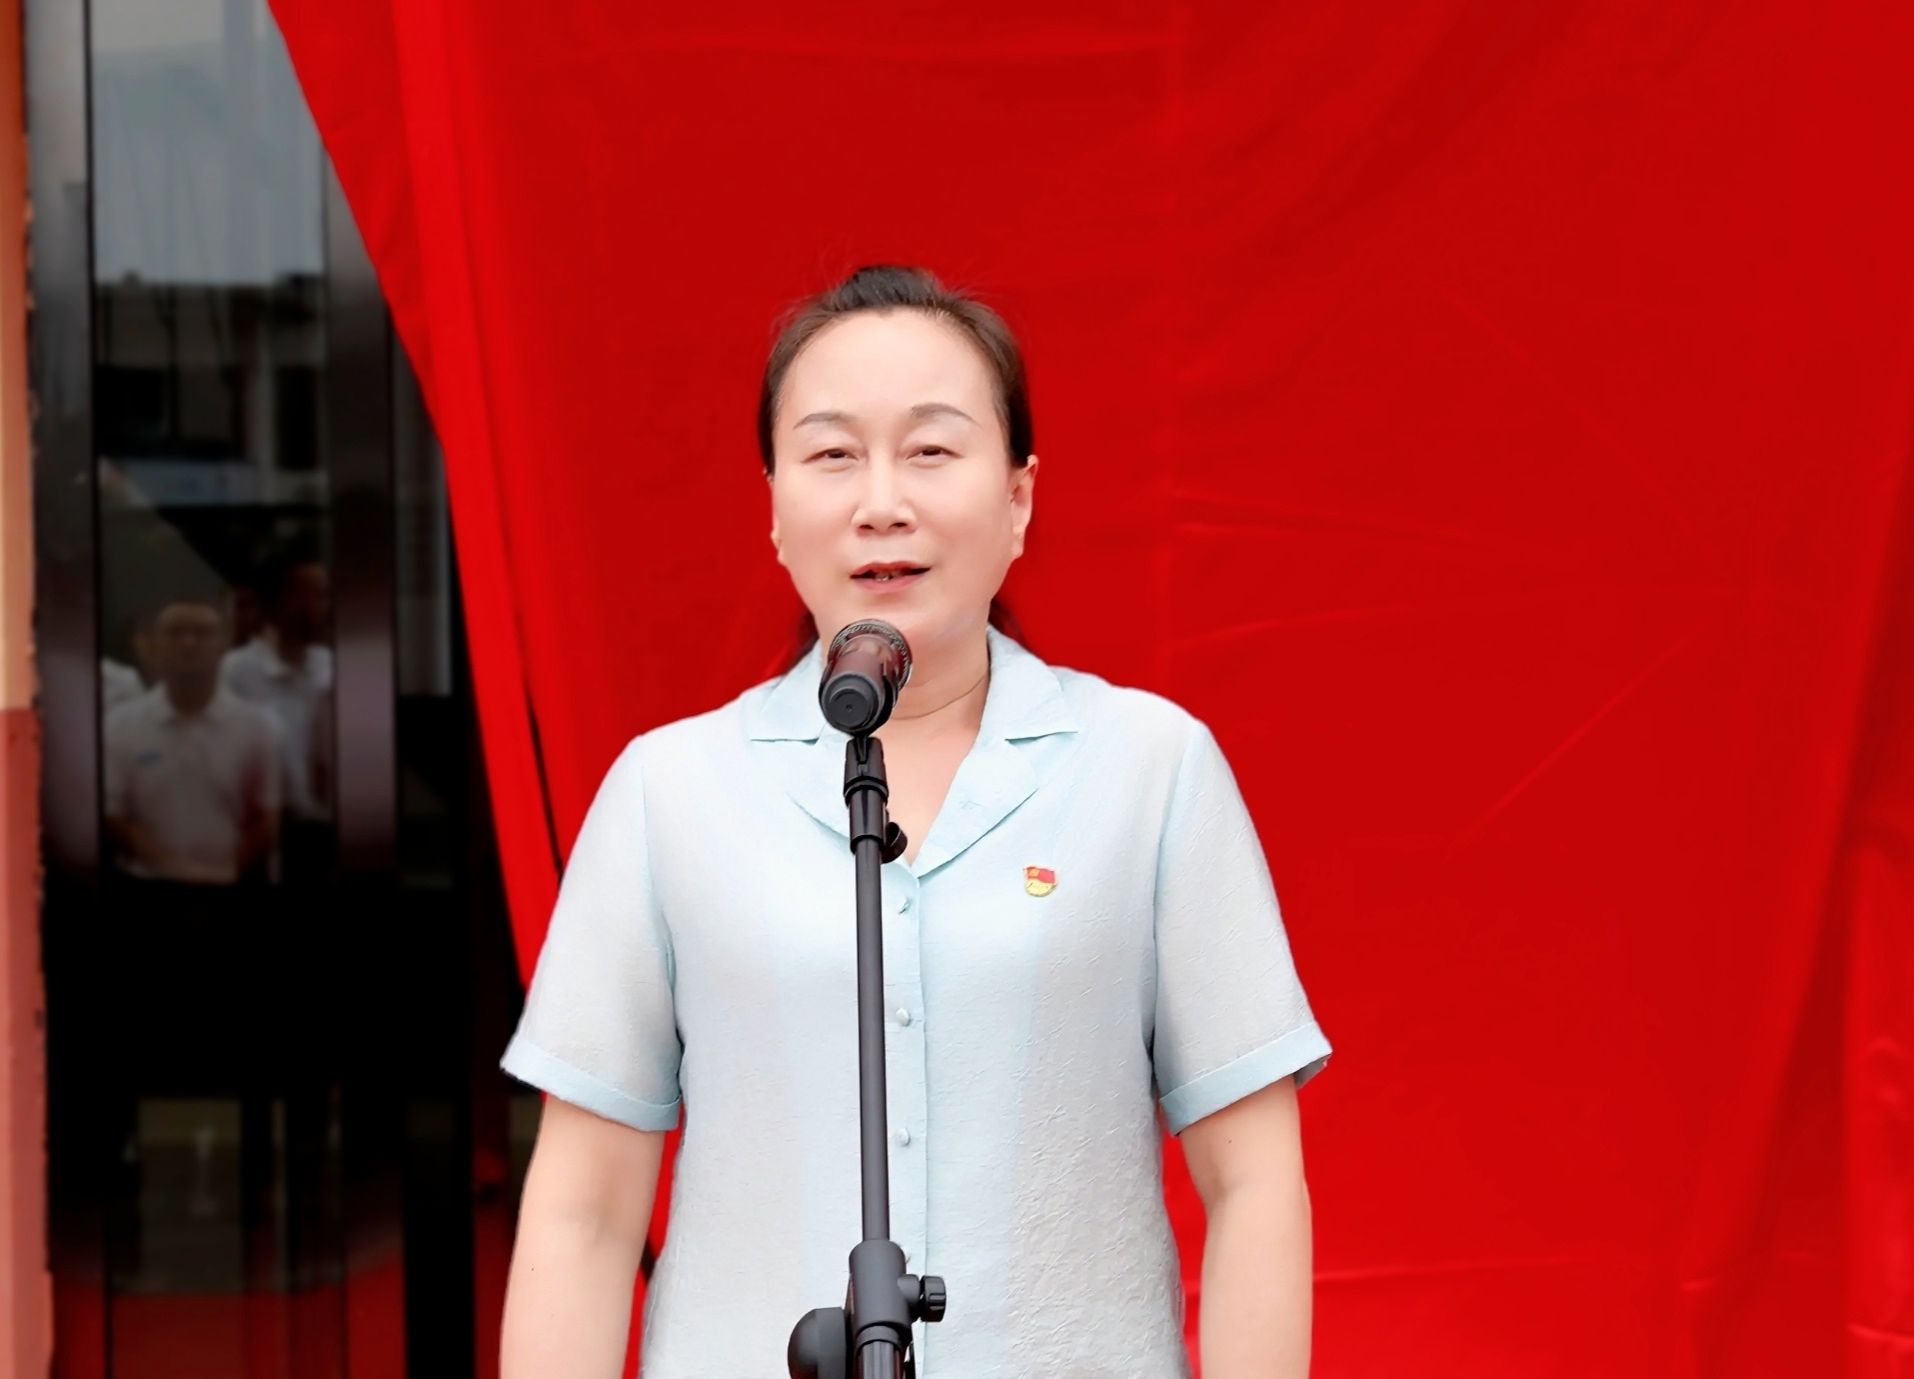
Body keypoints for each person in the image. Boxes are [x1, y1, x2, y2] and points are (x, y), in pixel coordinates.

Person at [498, 265, 1333, 1378]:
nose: (881, 501)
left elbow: (1255, 1180)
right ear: (775, 507)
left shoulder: (1149, 769)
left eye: (932, 450)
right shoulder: (669, 791)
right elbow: (584, 1215)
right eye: (833, 454)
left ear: (1019, 498)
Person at [104, 592, 283, 885]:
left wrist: (223, 870)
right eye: (175, 633)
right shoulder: (118, 724)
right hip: (144, 884)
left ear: (224, 644)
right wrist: (174, 868)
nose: (188, 642)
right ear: (154, 644)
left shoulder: (260, 726)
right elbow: (115, 815)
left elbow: (268, 816)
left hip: (232, 881)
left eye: (203, 633)